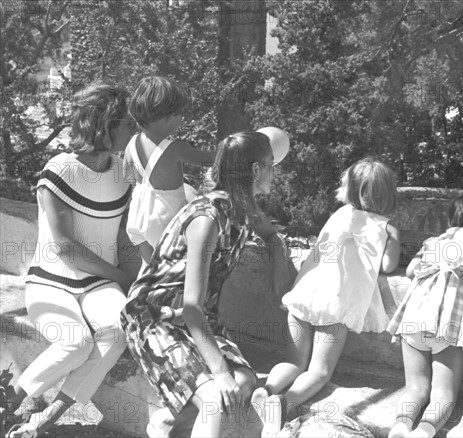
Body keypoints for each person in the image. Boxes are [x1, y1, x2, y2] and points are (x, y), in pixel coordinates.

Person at [120, 131, 290, 438]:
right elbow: (190, 306)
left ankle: (166, 427)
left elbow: (271, 236)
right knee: (215, 398)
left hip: (197, 320)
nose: (274, 171)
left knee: (244, 384)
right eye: (270, 164)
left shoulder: (243, 208)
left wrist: (280, 276)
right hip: (154, 317)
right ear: (255, 171)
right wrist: (219, 371)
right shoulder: (207, 218)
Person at [0, 83, 138, 438]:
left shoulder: (125, 173)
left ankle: (50, 415)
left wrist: (135, 276)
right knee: (76, 341)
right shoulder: (59, 169)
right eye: (127, 124)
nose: (133, 131)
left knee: (119, 329)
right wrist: (121, 278)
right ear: (105, 124)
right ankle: (8, 401)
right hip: (50, 283)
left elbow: (126, 232)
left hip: (99, 284)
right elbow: (65, 247)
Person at [255, 157, 402, 434]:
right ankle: (284, 403)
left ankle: (268, 388)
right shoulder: (386, 227)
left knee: (294, 362)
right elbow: (388, 267)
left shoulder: (339, 215)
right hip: (334, 307)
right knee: (319, 372)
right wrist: (394, 240)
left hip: (304, 295)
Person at [386, 190, 463, 438]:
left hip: (415, 317)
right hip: (449, 325)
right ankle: (424, 432)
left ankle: (401, 426)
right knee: (443, 395)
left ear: (453, 218)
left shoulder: (436, 241)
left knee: (415, 388)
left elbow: (412, 271)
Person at [124, 76, 215, 266]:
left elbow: (129, 177)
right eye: (180, 114)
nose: (182, 119)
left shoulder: (131, 144)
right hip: (164, 219)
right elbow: (210, 159)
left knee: (150, 269)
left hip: (137, 216)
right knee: (176, 268)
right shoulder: (175, 149)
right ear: (166, 116)